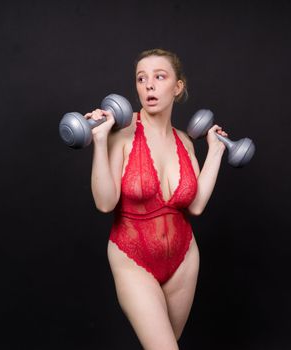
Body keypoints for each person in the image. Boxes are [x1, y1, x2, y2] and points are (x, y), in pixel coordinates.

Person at [86, 48, 228, 350]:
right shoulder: (121, 134)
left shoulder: (186, 142)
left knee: (166, 343)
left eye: (159, 77)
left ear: (177, 87)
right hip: (132, 257)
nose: (148, 85)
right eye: (141, 78)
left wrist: (215, 151)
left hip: (183, 259)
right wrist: (100, 141)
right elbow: (105, 203)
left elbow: (197, 205)